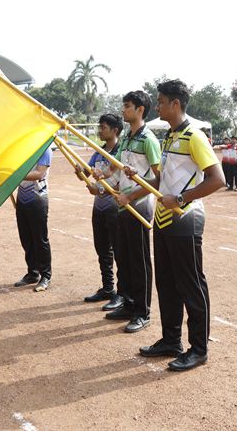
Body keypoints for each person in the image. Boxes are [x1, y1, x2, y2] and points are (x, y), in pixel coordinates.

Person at [128, 79, 225, 372]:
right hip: (162, 218)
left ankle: (199, 349)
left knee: (190, 285)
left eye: (160, 102)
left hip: (185, 219)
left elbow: (217, 179)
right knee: (167, 284)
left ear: (175, 104)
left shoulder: (195, 136)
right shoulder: (169, 137)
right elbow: (161, 180)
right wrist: (136, 180)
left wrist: (181, 199)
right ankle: (171, 340)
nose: (157, 106)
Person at [92, 90, 160, 333]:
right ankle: (129, 304)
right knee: (126, 259)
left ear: (140, 109)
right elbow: (115, 168)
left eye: (128, 106)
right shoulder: (128, 140)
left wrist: (131, 195)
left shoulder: (148, 140)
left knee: (139, 261)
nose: (123, 110)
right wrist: (102, 175)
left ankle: (143, 312)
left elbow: (158, 178)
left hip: (139, 206)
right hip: (122, 206)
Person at [78, 113, 123, 310]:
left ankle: (122, 293)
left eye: (103, 127)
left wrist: (102, 189)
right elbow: (87, 173)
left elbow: (124, 182)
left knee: (119, 252)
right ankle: (108, 288)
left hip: (116, 208)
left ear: (115, 130)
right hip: (99, 208)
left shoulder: (121, 152)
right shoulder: (99, 151)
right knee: (102, 249)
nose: (99, 131)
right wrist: (80, 170)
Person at [14, 146, 53, 292]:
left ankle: (45, 275)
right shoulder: (23, 148)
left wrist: (15, 175)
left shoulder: (45, 149)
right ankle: (32, 272)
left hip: (38, 199)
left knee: (40, 239)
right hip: (22, 199)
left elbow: (39, 173)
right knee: (26, 238)